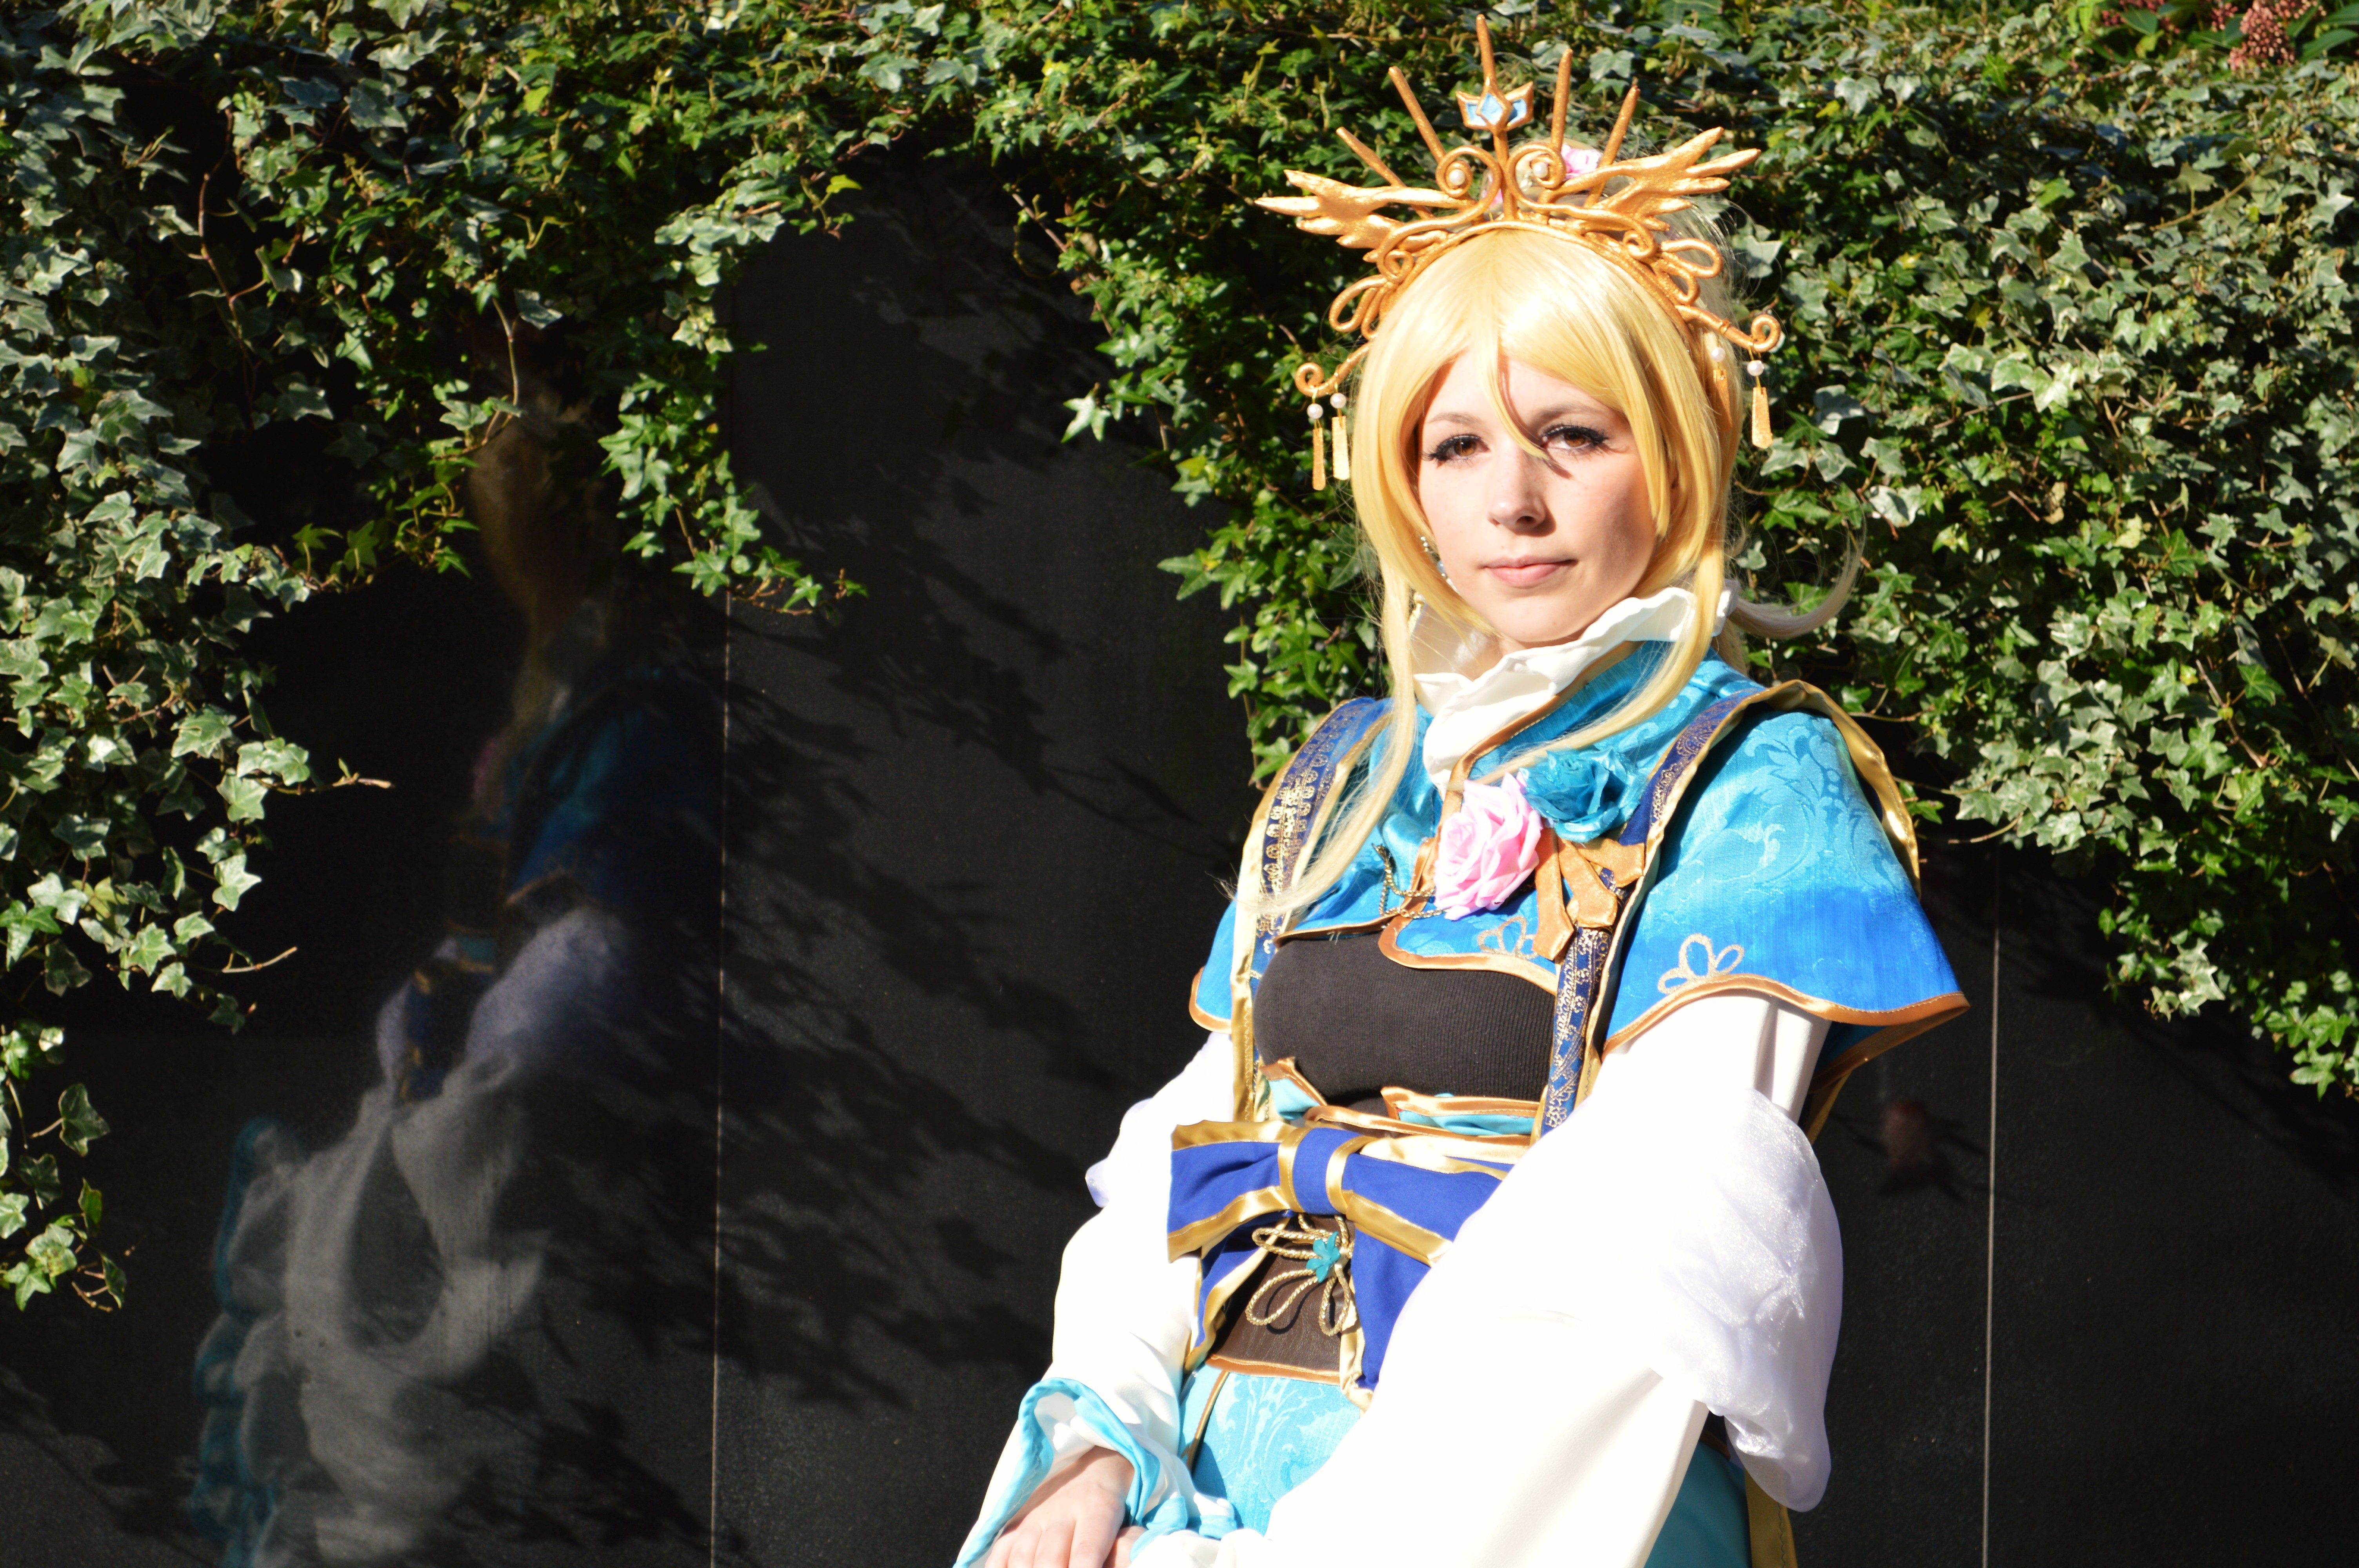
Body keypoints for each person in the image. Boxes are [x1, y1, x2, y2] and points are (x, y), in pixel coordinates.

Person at [955, 24, 1964, 1568]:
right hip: (1204, 1485)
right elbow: (1192, 1145)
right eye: (1457, 443)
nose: (1511, 500)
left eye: (1573, 435)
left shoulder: (1753, 782)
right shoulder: (1347, 777)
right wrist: (1094, 1447)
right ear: (1401, 480)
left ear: (1676, 457)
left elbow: (1656, 1256)